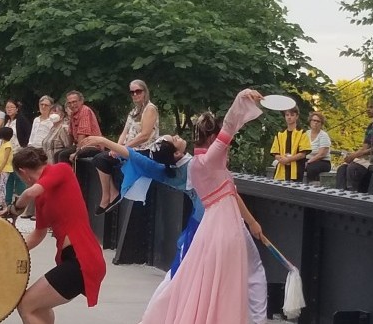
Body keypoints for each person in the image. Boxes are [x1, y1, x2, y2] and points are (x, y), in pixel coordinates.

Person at [80, 133, 267, 321]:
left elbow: (134, 156)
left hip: (203, 226)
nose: (178, 136)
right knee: (249, 271)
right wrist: (251, 222)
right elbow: (230, 192)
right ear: (177, 154)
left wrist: (104, 141)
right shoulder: (200, 166)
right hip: (219, 225)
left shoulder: (165, 170)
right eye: (174, 139)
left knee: (180, 277)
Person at [141, 89, 268, 324]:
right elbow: (230, 126)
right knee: (231, 283)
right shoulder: (212, 161)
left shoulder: (196, 166)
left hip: (210, 228)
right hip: (226, 228)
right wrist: (241, 98)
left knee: (203, 282)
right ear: (212, 139)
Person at [0, 147, 106, 323]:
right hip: (73, 260)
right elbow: (37, 235)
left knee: (27, 306)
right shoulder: (41, 198)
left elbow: (30, 192)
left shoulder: (60, 170)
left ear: (22, 172)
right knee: (38, 307)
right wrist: (9, 251)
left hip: (83, 259)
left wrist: (14, 208)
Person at [92, 80, 158, 215]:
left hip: (143, 150)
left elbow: (145, 135)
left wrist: (122, 148)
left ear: (145, 92)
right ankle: (109, 194)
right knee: (100, 159)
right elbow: (124, 132)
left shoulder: (150, 109)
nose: (135, 94)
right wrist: (116, 146)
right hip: (129, 149)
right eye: (132, 92)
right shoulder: (134, 111)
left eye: (138, 91)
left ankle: (110, 195)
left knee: (102, 158)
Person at [335, 101, 373, 192]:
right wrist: (352, 156)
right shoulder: (370, 126)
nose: (367, 110)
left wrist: (355, 155)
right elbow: (365, 147)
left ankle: (353, 193)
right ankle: (340, 194)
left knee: (352, 168)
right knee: (341, 169)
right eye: (367, 107)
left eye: (371, 107)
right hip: (367, 158)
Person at [56, 90, 102, 163]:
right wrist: (68, 148)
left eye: (74, 102)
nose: (72, 105)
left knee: (63, 155)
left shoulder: (85, 111)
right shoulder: (73, 114)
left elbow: (82, 134)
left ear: (81, 101)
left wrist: (76, 152)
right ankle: (59, 173)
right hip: (83, 145)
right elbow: (71, 134)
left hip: (94, 146)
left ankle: (67, 174)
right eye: (69, 103)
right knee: (58, 153)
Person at [270, 106, 311, 182]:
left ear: (297, 116)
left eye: (292, 115)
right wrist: (281, 159)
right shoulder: (280, 134)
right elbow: (275, 152)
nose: (289, 117)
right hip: (281, 168)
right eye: (287, 115)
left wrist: (288, 159)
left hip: (297, 168)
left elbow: (302, 154)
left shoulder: (302, 133)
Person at [305, 111, 332, 185]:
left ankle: (313, 186)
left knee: (312, 168)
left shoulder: (323, 135)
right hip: (308, 159)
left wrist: (309, 161)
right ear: (310, 121)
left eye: (318, 121)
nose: (315, 123)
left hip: (323, 161)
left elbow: (321, 154)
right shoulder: (306, 133)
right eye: (314, 120)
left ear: (321, 124)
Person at [0, 127, 14, 211]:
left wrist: (0, 170)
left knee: (2, 186)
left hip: (5, 169)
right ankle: (1, 202)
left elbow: (5, 159)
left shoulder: (8, 145)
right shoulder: (3, 143)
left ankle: (4, 205)